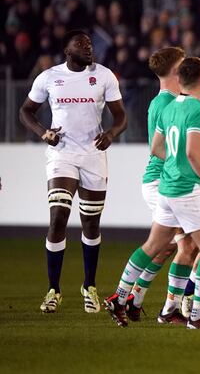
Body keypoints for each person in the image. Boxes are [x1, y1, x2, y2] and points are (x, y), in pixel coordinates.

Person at [104, 57, 200, 329]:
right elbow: (192, 152)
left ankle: (119, 296)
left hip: (166, 187)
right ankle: (197, 316)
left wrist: (183, 162)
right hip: (187, 189)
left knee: (153, 246)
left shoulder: (170, 107)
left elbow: (157, 147)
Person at [19, 30, 127, 314]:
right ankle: (53, 290)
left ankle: (88, 286)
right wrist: (44, 133)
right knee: (58, 216)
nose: (88, 48)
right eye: (81, 44)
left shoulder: (104, 76)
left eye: (90, 44)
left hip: (93, 155)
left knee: (91, 224)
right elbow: (26, 111)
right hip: (62, 154)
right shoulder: (48, 77)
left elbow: (120, 116)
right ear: (67, 49)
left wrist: (112, 133)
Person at [126, 47, 198, 321]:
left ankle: (136, 298)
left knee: (171, 246)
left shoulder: (170, 100)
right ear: (175, 70)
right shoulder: (165, 102)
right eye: (183, 63)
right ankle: (164, 307)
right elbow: (157, 149)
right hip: (161, 181)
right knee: (185, 245)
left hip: (166, 180)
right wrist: (193, 162)